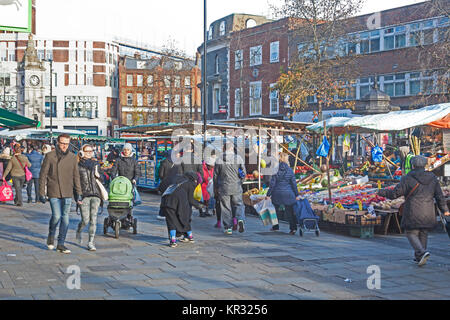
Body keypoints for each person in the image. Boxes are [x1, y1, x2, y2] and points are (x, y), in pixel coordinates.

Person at [378, 155, 449, 266]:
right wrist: (445, 209)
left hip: (413, 210)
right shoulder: (433, 178)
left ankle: (421, 252)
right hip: (428, 210)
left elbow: (395, 193)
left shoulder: (407, 178)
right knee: (423, 232)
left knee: (411, 232)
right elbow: (439, 196)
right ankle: (419, 257)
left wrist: (381, 192)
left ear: (413, 165)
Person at [39, 134, 82, 254]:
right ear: (57, 143)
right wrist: (41, 192)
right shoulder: (50, 156)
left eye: (67, 143)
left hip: (67, 191)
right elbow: (43, 175)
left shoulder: (73, 157)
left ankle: (61, 243)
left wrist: (79, 193)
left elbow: (76, 176)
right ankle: (51, 234)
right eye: (62, 143)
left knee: (65, 217)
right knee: (57, 216)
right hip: (54, 190)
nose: (64, 146)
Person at [160, 171, 204, 247]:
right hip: (180, 204)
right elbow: (191, 199)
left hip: (167, 202)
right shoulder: (190, 183)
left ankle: (173, 240)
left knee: (171, 221)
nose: (196, 181)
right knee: (185, 218)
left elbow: (161, 187)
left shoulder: (175, 178)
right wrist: (199, 205)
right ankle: (189, 236)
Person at [214, 143, 247, 235]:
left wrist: (216, 188)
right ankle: (240, 219)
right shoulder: (239, 158)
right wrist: (241, 182)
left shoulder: (219, 160)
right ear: (232, 148)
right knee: (239, 204)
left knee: (225, 207)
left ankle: (228, 227)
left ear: (223, 148)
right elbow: (244, 173)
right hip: (236, 186)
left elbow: (215, 176)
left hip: (223, 187)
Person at [266, 153, 302, 234]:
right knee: (289, 211)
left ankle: (275, 227)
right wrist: (296, 195)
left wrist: (268, 195)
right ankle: (293, 228)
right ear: (286, 160)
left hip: (277, 193)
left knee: (275, 211)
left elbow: (272, 184)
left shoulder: (276, 169)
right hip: (288, 194)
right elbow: (293, 184)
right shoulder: (290, 170)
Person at [76, 144, 103, 251]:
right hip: (84, 196)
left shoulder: (96, 164)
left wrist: (99, 175)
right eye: (87, 151)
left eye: (91, 151)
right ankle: (79, 229)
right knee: (85, 220)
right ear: (81, 152)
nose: (89, 153)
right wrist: (77, 197)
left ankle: (90, 242)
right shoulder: (77, 165)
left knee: (94, 219)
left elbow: (103, 180)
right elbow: (75, 182)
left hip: (96, 195)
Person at [157, 150, 181, 220]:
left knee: (164, 199)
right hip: (174, 184)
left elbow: (161, 174)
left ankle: (161, 213)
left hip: (165, 184)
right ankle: (172, 213)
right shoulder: (178, 163)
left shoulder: (164, 162)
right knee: (173, 200)